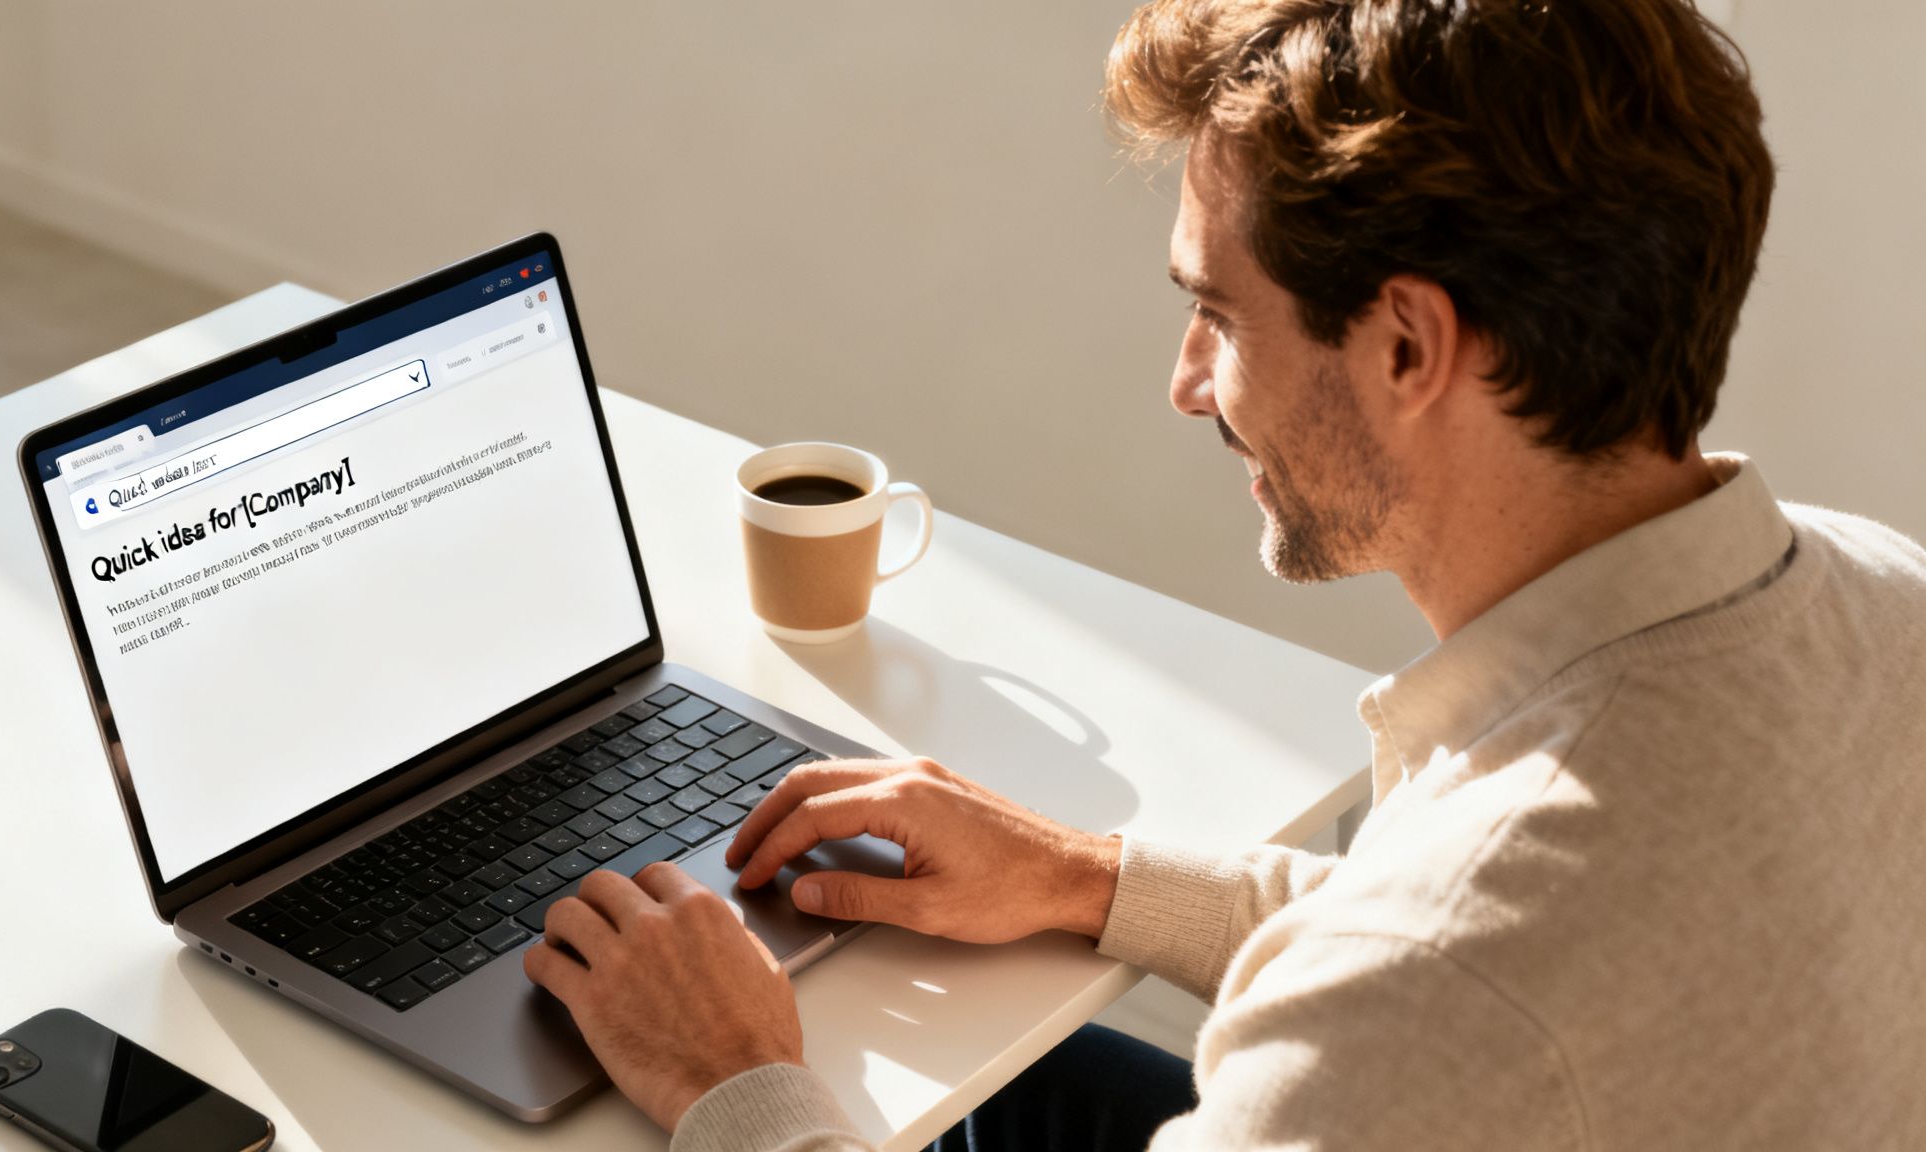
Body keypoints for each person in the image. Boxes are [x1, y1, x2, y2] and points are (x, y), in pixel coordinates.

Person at [522, 0, 1926, 1147]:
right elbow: (1540, 958)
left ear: (1406, 346)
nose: (1188, 384)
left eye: (1217, 313)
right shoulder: (1884, 605)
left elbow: (1455, 978)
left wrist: (728, 1081)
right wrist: (1088, 878)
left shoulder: (1427, 1008)